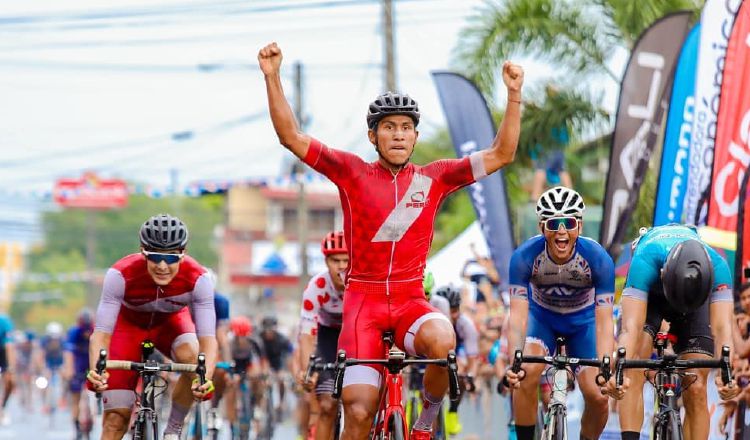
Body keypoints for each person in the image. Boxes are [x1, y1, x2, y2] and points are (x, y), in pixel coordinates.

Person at [258, 40, 522, 440]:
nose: (398, 135)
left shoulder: (436, 177)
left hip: (409, 301)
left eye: (406, 128)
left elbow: (502, 153)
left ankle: (422, 425)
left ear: (415, 136)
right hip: (362, 305)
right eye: (388, 127)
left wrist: (514, 95)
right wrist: (273, 76)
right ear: (373, 135)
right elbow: (291, 136)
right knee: (360, 411)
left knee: (443, 342)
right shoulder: (351, 172)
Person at [85, 213, 217, 440]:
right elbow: (101, 335)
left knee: (193, 359)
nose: (163, 266)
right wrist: (97, 371)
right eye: (155, 256)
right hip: (128, 328)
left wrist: (205, 378)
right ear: (143, 251)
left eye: (172, 258)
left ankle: (173, 430)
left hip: (171, 323)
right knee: (115, 420)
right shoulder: (120, 274)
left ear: (182, 254)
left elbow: (208, 340)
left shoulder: (199, 279)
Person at [603, 224, 740, 440]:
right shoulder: (645, 259)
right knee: (633, 365)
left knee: (696, 385)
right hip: (652, 296)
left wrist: (727, 375)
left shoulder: (719, 266)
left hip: (696, 303)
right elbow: (631, 328)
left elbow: (723, 330)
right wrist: (619, 372)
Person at [503, 186, 614, 440]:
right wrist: (514, 361)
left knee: (598, 395)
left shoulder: (597, 259)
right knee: (525, 374)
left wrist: (605, 366)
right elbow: (518, 318)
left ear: (580, 227)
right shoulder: (524, 257)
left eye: (569, 222)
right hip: (542, 319)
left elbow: (605, 322)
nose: (561, 230)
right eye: (554, 223)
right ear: (543, 228)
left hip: (583, 323)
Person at [297, 231, 348, 440]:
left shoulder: (363, 284)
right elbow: (307, 335)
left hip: (357, 334)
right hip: (328, 338)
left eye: (347, 260)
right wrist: (308, 370)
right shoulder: (316, 287)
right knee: (328, 404)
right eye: (336, 260)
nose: (342, 266)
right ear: (326, 261)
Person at [433, 285, 479, 436]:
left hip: (457, 356)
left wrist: (470, 376)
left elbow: (473, 358)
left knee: (461, 369)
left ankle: (453, 410)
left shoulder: (466, 325)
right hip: (433, 357)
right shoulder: (431, 323)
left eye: (453, 311)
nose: (449, 315)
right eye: (445, 311)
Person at [63, 309, 95, 439]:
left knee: (96, 391)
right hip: (78, 366)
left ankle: (94, 412)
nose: (87, 332)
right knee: (75, 397)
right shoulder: (74, 332)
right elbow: (68, 354)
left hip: (91, 364)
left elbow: (100, 351)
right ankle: (77, 427)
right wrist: (69, 371)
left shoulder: (95, 331)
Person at [0, 314, 14, 425]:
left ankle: (3, 406)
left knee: (10, 382)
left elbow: (9, 346)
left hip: (2, 352)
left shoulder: (4, 321)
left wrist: (10, 368)